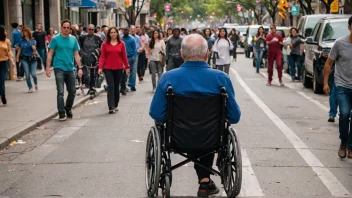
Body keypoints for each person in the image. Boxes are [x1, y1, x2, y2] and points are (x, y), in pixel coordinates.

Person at [149, 34, 241, 197]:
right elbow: (234, 117)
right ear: (207, 54)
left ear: (182, 54)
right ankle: (204, 182)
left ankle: (204, 181)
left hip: (177, 137)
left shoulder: (168, 78)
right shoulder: (221, 78)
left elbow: (156, 113)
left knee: (187, 128)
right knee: (208, 132)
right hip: (211, 137)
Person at [323, 16, 352, 159]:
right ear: (349, 27)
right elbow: (329, 63)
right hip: (342, 85)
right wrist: (325, 82)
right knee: (345, 113)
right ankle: (343, 143)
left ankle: (351, 147)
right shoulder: (340, 44)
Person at [46, 19, 83, 121]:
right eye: (64, 27)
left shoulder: (73, 39)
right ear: (61, 28)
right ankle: (62, 113)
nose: (66, 29)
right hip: (59, 68)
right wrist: (48, 68)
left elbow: (76, 54)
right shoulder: (55, 39)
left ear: (70, 29)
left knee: (72, 91)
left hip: (70, 68)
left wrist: (80, 67)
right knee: (60, 91)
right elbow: (50, 54)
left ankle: (68, 108)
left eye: (68, 28)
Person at [98, 27, 130, 114]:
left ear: (117, 33)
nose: (113, 34)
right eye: (111, 32)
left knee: (116, 87)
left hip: (119, 68)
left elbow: (124, 56)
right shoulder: (105, 44)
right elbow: (102, 56)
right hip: (108, 68)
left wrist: (127, 67)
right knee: (110, 86)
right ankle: (110, 106)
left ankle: (115, 104)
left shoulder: (121, 44)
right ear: (109, 34)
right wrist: (100, 67)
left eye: (114, 32)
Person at [16, 26, 39, 93]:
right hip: (24, 59)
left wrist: (34, 48)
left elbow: (35, 51)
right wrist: (17, 58)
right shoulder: (21, 41)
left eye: (25, 31)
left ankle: (35, 83)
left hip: (32, 59)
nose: (24, 33)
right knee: (27, 74)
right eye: (23, 32)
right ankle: (30, 87)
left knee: (34, 74)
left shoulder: (33, 40)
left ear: (28, 32)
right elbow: (19, 50)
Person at [0, 25, 15, 106]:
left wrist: (12, 62)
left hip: (3, 64)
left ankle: (3, 97)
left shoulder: (7, 41)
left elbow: (9, 52)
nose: (6, 32)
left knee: (1, 82)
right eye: (5, 30)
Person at [121, 27, 137, 94]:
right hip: (124, 58)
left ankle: (132, 85)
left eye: (127, 30)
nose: (126, 32)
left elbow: (134, 49)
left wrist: (134, 57)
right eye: (125, 30)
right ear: (123, 31)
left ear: (129, 31)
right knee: (124, 73)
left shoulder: (132, 39)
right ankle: (123, 86)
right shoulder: (121, 39)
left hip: (131, 57)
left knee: (133, 72)